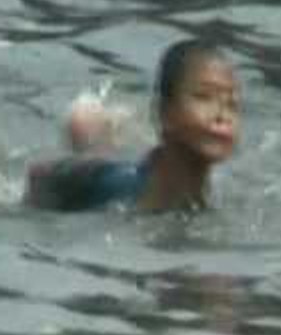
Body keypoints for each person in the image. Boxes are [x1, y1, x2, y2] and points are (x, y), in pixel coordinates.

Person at [24, 39, 240, 212]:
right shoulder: (118, 190)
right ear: (164, 112)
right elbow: (39, 176)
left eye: (232, 104)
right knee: (85, 131)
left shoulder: (207, 200)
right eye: (203, 97)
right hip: (94, 174)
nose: (222, 115)